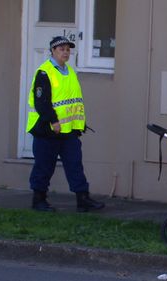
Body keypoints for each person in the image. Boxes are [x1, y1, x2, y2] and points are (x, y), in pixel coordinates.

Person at [26, 36, 105, 212]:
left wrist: (79, 124)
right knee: (44, 166)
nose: (65, 52)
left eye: (68, 49)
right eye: (61, 49)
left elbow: (73, 101)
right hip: (48, 130)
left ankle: (83, 200)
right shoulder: (44, 72)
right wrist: (53, 121)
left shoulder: (69, 71)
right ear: (52, 51)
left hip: (69, 131)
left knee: (75, 164)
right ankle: (38, 200)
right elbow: (41, 102)